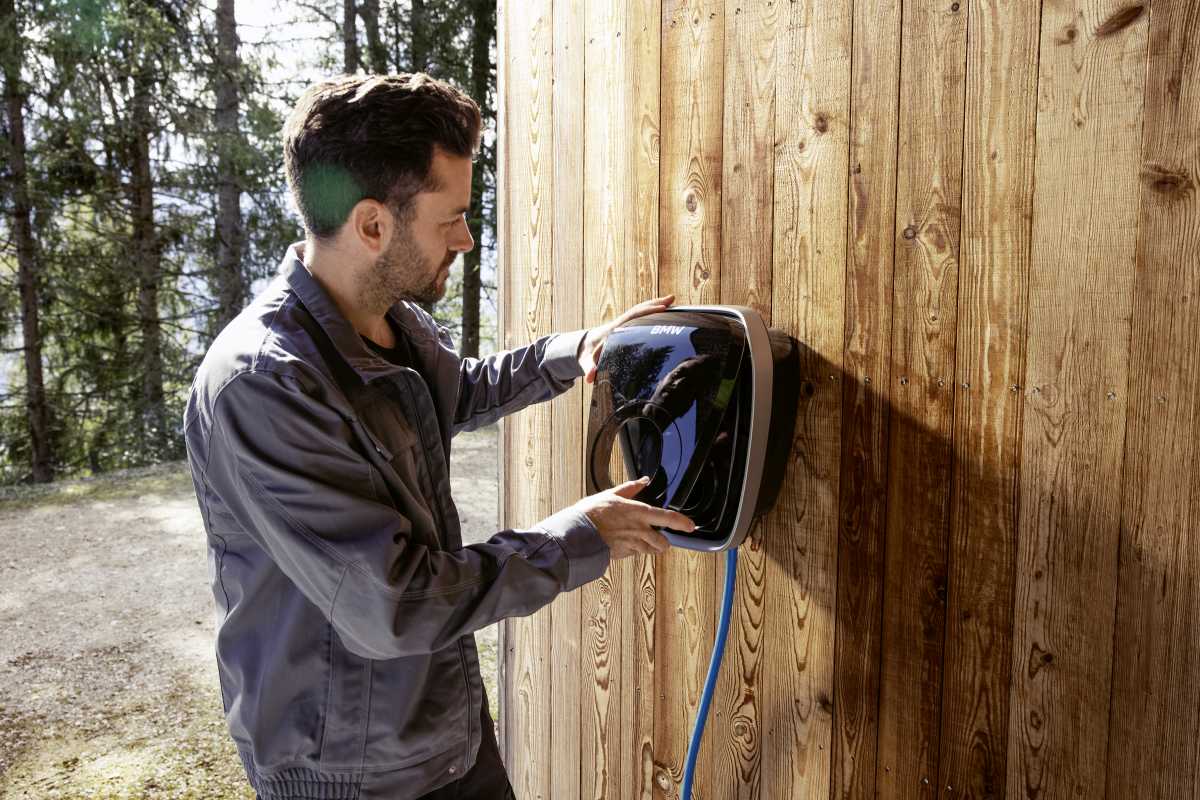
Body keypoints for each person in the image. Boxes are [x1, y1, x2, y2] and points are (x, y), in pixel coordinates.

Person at [182, 72, 695, 800]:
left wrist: (578, 349)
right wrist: (581, 533)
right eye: (449, 216)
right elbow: (395, 605)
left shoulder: (389, 319)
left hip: (441, 738)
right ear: (371, 225)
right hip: (351, 778)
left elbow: (454, 392)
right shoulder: (265, 385)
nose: (467, 235)